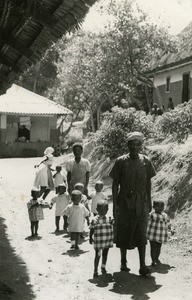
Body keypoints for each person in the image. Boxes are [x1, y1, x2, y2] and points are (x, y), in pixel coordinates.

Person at [110, 131, 156, 276]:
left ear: (141, 146)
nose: (135, 147)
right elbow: (115, 183)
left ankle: (142, 265)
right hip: (124, 200)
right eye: (132, 144)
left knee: (141, 231)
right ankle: (123, 261)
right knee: (124, 229)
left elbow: (148, 182)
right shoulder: (121, 161)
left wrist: (149, 201)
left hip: (141, 201)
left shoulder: (146, 161)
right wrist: (115, 204)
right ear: (128, 145)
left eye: (138, 144)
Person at [89, 200, 113, 278]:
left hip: (107, 240)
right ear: (97, 209)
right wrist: (90, 238)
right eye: (100, 209)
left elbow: (113, 226)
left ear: (107, 210)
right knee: (98, 255)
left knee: (105, 254)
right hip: (98, 241)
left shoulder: (109, 219)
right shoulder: (95, 220)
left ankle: (103, 266)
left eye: (105, 210)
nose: (103, 211)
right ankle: (95, 269)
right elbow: (91, 229)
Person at [147, 200, 173, 266]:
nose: (161, 208)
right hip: (152, 234)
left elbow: (168, 223)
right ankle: (153, 260)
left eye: (162, 206)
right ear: (154, 207)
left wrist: (171, 229)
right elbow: (147, 222)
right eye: (158, 206)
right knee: (153, 247)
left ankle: (157, 258)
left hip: (161, 235)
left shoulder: (165, 215)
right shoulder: (151, 215)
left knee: (159, 247)